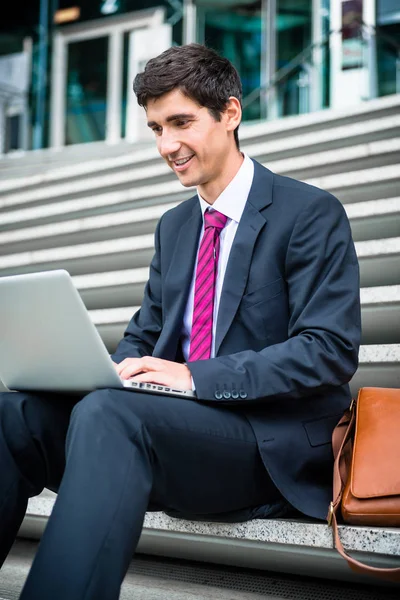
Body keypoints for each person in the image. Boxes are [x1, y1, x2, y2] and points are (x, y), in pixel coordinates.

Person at [0, 44, 361, 599]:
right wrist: (102, 371)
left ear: (231, 114)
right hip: (174, 432)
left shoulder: (309, 213)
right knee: (13, 413)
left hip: (264, 444)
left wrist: (193, 377)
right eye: (155, 128)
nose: (167, 145)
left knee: (109, 414)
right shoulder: (175, 227)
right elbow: (146, 335)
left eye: (181, 122)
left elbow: (328, 349)